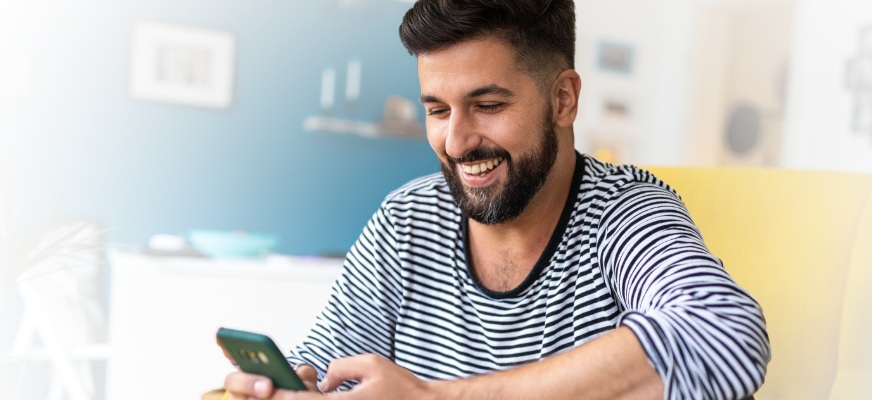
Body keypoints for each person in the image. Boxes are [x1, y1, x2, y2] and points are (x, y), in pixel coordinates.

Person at [224, 0, 771, 398]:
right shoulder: (406, 219)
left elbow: (721, 333)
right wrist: (283, 385)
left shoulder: (624, 210)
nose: (457, 142)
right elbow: (325, 364)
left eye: (486, 105)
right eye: (437, 110)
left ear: (563, 98)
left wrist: (434, 398)